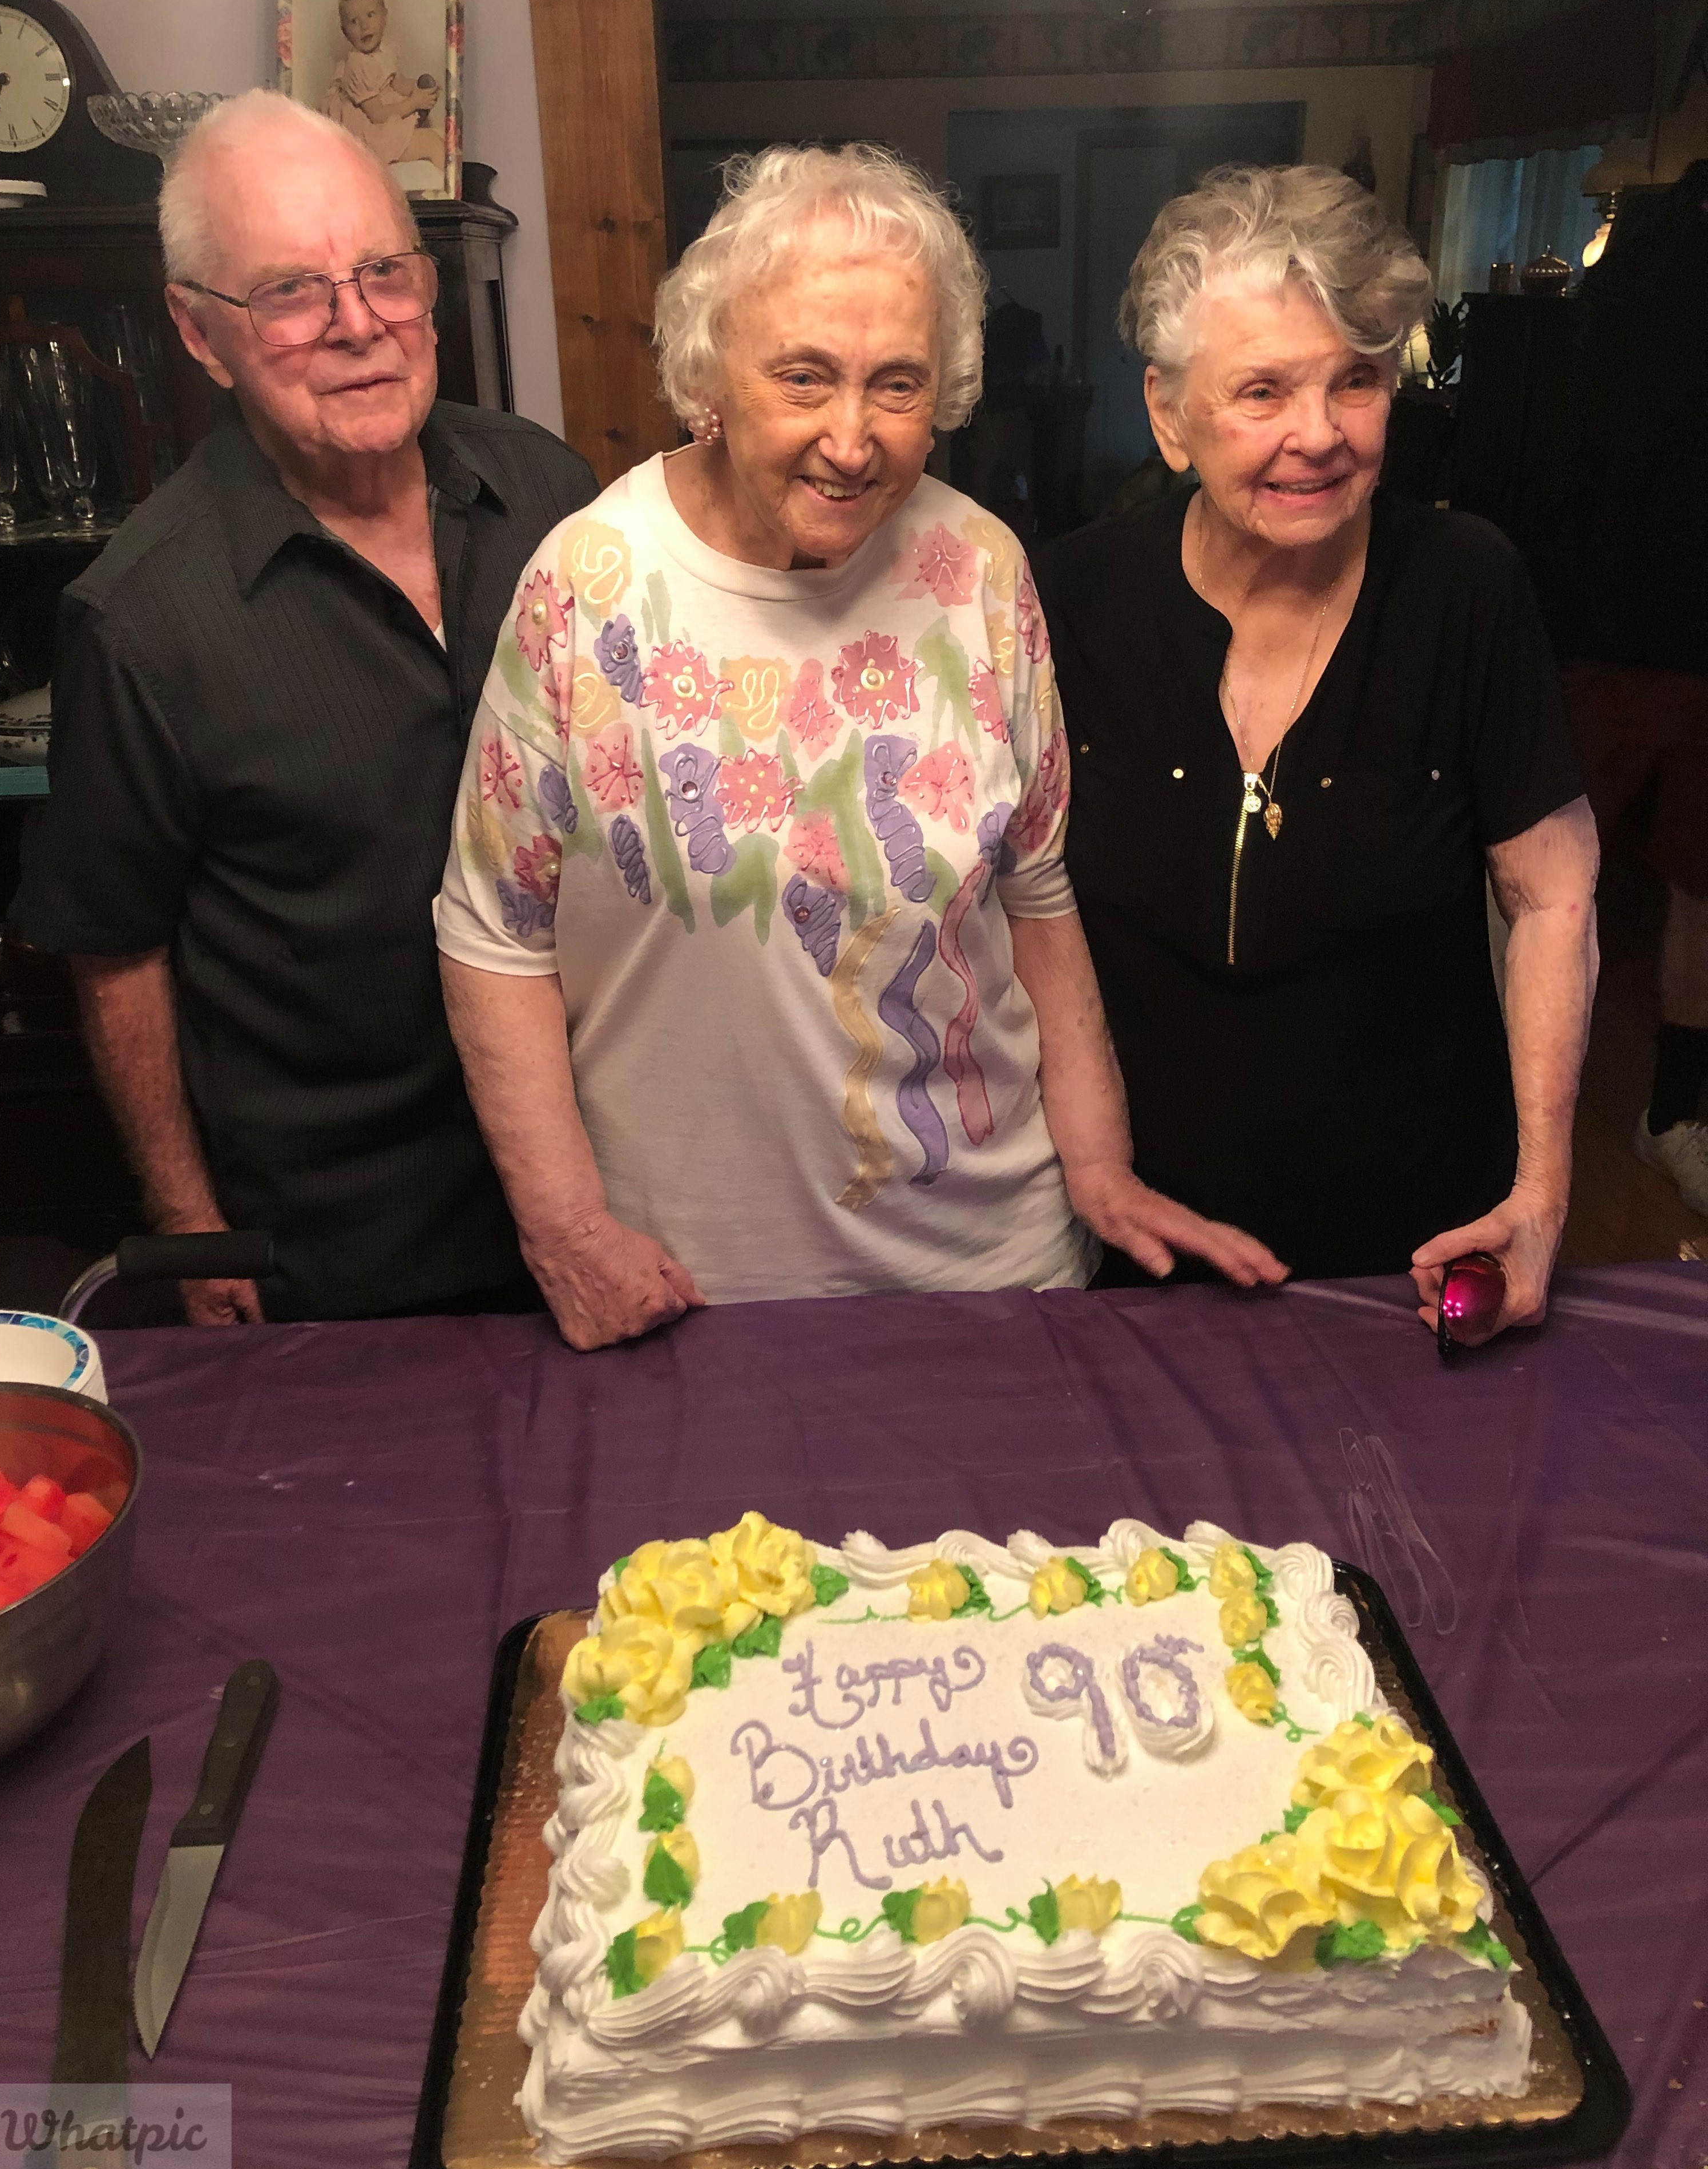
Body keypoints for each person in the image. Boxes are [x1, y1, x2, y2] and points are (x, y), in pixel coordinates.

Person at [434, 144, 1283, 1350]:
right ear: (708, 373)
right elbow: (492, 937)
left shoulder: (980, 568)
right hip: (689, 1284)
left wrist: (1098, 1167)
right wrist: (567, 1233)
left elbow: (1036, 897)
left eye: (896, 386)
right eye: (803, 378)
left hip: (995, 1264)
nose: (851, 439)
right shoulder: (589, 583)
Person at [12, 90, 597, 1322]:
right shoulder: (140, 623)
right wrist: (191, 1224)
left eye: (385, 271)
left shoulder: (551, 494)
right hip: (349, 1255)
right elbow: (116, 949)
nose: (358, 324)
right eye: (289, 291)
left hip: (601, 1182)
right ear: (197, 331)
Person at [1037, 165, 1599, 1338]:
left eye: (1356, 379)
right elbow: (1017, 904)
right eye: (1262, 391)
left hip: (1413, 1252)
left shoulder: (1466, 587)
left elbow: (1550, 897)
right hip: (1129, 1237)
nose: (1319, 434)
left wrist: (1539, 1194)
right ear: (1166, 415)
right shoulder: (1069, 599)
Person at [1561, 160, 1708, 1215]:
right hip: (1610, 623)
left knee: (1702, 891)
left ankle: (1671, 1113)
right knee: (1540, 869)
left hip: (1638, 621)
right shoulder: (1641, 256)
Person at [322, 0, 445, 179]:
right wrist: (414, 103)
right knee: (431, 143)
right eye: (354, 21)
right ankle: (452, 191)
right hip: (370, 135)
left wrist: (418, 89)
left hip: (383, 116)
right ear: (345, 32)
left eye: (370, 15)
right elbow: (377, 115)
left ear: (384, 16)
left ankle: (414, 121)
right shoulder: (357, 67)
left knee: (436, 133)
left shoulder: (384, 53)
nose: (364, 26)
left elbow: (398, 83)